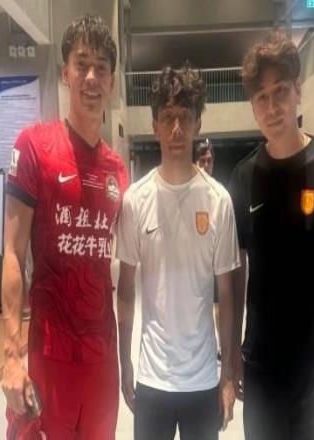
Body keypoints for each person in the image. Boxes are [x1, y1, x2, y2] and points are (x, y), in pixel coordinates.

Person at [229, 31, 314, 440]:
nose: (272, 107)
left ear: (298, 91)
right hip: (261, 368)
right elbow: (237, 274)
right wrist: (232, 354)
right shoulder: (244, 177)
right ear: (253, 107)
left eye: (281, 92)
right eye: (262, 98)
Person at [1, 14, 128, 439]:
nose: (91, 77)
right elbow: (13, 252)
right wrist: (12, 355)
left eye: (101, 68)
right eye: (81, 64)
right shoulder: (34, 147)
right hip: (49, 354)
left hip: (101, 360)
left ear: (112, 82)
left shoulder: (117, 170)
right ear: (65, 73)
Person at [116, 65, 240, 440]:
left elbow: (227, 296)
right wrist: (125, 363)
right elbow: (125, 290)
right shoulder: (135, 200)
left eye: (185, 118)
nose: (176, 129)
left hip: (202, 379)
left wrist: (227, 374)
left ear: (197, 124)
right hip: (152, 378)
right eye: (168, 117)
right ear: (154, 125)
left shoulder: (218, 201)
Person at [195, 139, 222, 360]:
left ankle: (221, 346)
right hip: (193, 261)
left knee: (218, 304)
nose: (206, 165)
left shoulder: (220, 196)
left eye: (209, 160)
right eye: (202, 161)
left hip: (215, 258)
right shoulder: (186, 193)